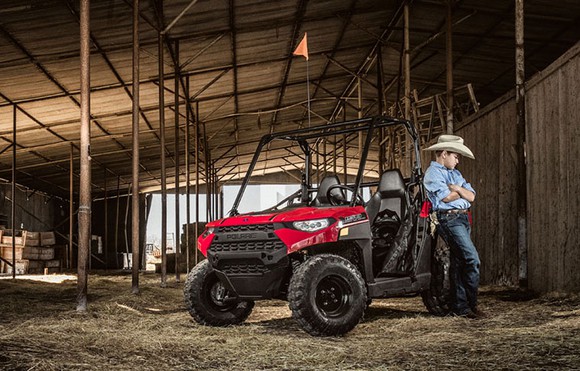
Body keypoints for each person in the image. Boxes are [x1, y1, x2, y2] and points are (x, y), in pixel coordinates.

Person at [423, 134, 485, 319]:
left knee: (458, 263)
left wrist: (456, 188)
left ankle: (461, 307)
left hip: (463, 219)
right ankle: (472, 304)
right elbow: (446, 198)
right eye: (455, 156)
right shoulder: (433, 173)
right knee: (472, 259)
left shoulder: (455, 175)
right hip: (449, 219)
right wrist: (461, 191)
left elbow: (472, 196)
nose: (458, 160)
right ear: (443, 153)